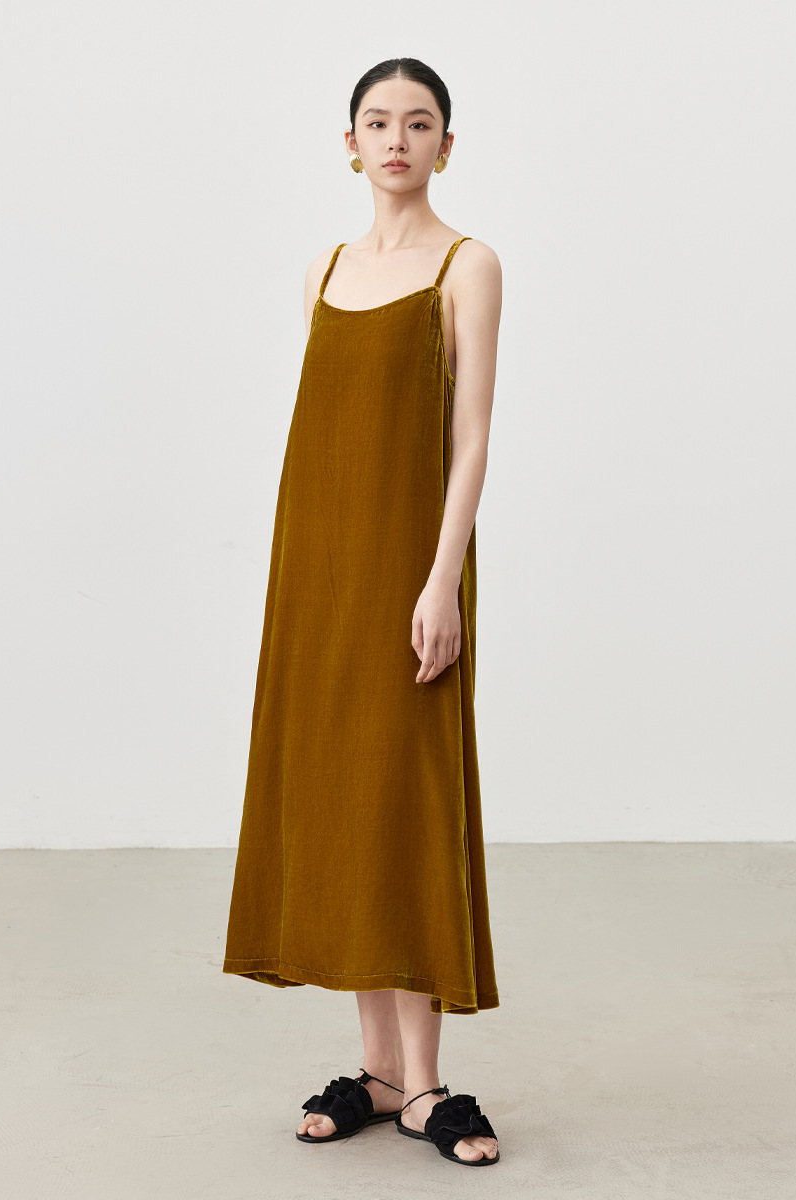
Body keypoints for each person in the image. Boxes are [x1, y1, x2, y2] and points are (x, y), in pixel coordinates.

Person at [223, 57, 503, 1167]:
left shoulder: (469, 265)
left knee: (405, 801)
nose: (397, 139)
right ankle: (380, 1071)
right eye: (377, 122)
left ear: (446, 144)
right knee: (342, 798)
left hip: (409, 567)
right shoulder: (325, 270)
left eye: (419, 122)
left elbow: (471, 439)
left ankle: (427, 1085)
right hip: (318, 571)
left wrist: (442, 580)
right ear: (350, 144)